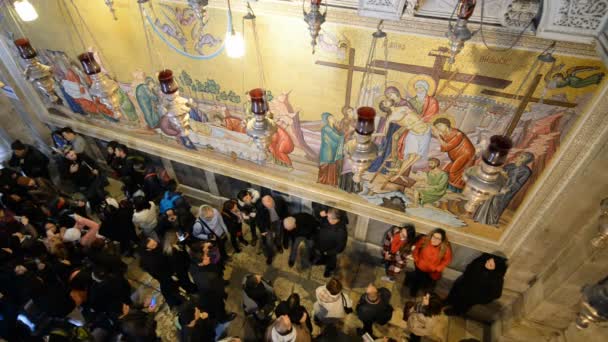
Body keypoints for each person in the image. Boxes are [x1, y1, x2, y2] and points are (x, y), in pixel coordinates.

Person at [473, 152, 535, 226]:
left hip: (508, 190)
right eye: (519, 156)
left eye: (522, 157)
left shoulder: (526, 171)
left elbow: (519, 183)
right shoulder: (510, 166)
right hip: (498, 186)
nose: (518, 157)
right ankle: (479, 218)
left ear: (526, 160)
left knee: (497, 203)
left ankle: (492, 221)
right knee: (488, 200)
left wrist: (508, 186)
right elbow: (500, 175)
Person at [188, 248, 236, 323]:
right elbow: (218, 289)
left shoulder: (193, 266)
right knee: (219, 307)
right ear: (200, 263)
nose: (208, 257)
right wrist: (223, 294)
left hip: (208, 291)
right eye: (205, 258)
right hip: (213, 295)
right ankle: (223, 318)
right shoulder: (209, 278)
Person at [431, 118, 475, 192]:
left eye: (440, 125)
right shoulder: (446, 134)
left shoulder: (458, 134)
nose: (438, 128)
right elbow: (443, 147)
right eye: (437, 126)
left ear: (446, 124)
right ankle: (445, 186)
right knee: (447, 169)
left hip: (466, 154)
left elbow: (446, 147)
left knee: (454, 170)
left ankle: (454, 190)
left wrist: (438, 136)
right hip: (457, 156)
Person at [139, 237, 185, 308]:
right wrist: (171, 273)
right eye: (153, 245)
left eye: (154, 242)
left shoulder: (156, 246)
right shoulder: (150, 260)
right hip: (162, 273)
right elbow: (159, 270)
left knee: (169, 285)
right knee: (168, 286)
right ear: (148, 249)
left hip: (165, 270)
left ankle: (175, 298)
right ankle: (175, 302)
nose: (156, 244)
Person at [407, 228, 452, 297]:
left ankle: (425, 296)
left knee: (429, 284)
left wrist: (438, 268)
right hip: (420, 267)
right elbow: (416, 248)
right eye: (433, 237)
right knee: (417, 281)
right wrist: (416, 259)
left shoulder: (445, 248)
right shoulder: (424, 240)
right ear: (431, 236)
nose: (435, 240)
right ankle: (413, 293)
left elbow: (447, 260)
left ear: (442, 240)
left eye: (438, 238)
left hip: (432, 271)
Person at [314, 208, 348, 277]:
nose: (327, 219)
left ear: (335, 219)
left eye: (329, 218)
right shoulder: (328, 220)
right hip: (321, 245)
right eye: (327, 217)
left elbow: (340, 247)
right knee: (322, 255)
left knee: (331, 261)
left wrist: (329, 252)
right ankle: (322, 261)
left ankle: (329, 270)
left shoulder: (341, 231)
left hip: (330, 251)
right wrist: (319, 215)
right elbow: (318, 220)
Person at [256, 195, 288, 265]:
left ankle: (279, 246)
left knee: (279, 235)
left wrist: (285, 220)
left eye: (271, 206)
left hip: (278, 221)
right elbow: (259, 220)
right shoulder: (260, 207)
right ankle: (270, 256)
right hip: (268, 225)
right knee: (269, 242)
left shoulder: (279, 201)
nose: (269, 207)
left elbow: (285, 210)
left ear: (273, 200)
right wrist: (262, 231)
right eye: (267, 207)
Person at [317, 112, 345, 187]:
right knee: (326, 165)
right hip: (327, 151)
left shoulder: (334, 128)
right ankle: (323, 180)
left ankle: (331, 181)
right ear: (327, 119)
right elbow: (336, 137)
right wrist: (343, 136)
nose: (333, 119)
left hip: (333, 150)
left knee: (332, 166)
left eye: (333, 117)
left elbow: (338, 135)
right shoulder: (326, 128)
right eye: (331, 117)